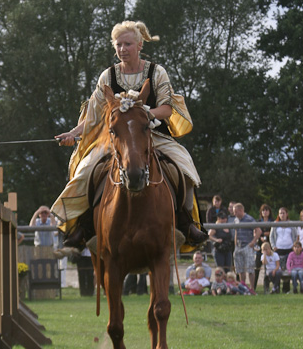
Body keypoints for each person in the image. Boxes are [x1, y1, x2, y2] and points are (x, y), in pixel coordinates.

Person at [51, 20, 207, 249]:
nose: (122, 49)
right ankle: (83, 227)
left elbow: (167, 108)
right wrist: (73, 134)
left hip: (152, 135)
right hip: (116, 139)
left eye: (127, 44)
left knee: (184, 168)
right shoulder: (107, 76)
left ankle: (186, 223)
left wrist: (145, 114)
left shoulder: (157, 72)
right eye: (118, 45)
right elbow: (94, 116)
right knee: (85, 171)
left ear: (140, 45)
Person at [232, 203, 262, 290]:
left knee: (250, 268)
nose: (234, 214)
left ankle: (252, 288)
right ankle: (243, 287)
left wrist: (253, 242)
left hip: (247, 245)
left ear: (241, 210)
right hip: (238, 246)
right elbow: (236, 232)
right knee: (240, 269)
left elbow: (258, 230)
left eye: (235, 212)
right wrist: (235, 245)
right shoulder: (236, 220)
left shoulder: (249, 219)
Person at [254, 204, 274, 289]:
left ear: (269, 212)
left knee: (267, 268)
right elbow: (255, 232)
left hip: (269, 246)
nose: (265, 212)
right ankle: (253, 287)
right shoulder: (258, 222)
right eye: (263, 210)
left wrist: (263, 233)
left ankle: (266, 287)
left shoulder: (272, 221)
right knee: (257, 267)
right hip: (259, 247)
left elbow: (272, 232)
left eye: (266, 210)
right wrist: (260, 236)